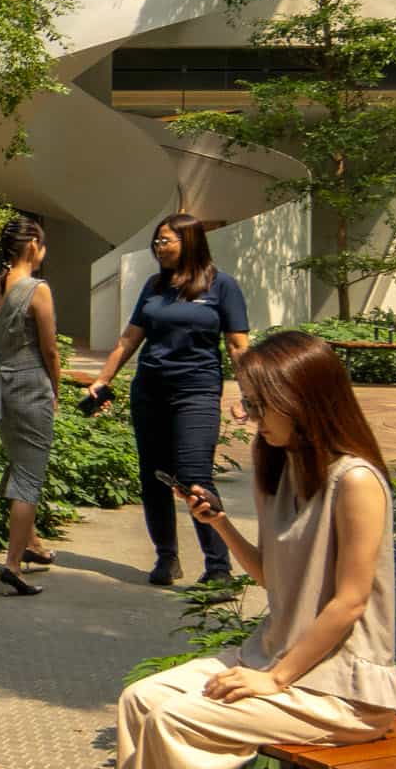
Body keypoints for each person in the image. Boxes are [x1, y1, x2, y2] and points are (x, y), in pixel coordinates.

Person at [113, 332, 396, 769]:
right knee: (139, 699)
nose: (252, 417)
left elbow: (351, 601)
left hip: (341, 690)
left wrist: (276, 678)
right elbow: (272, 575)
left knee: (173, 720)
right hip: (276, 660)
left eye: (260, 404)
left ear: (304, 399)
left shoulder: (355, 480)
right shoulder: (278, 464)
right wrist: (220, 524)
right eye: (248, 403)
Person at [73, 213, 248, 588]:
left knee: (194, 477)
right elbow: (129, 339)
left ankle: (218, 568)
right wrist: (102, 381)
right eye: (156, 242)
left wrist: (251, 394)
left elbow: (238, 346)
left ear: (190, 242)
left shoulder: (222, 286)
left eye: (166, 241)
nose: (159, 247)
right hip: (149, 391)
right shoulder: (154, 286)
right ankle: (166, 558)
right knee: (154, 477)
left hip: (197, 392)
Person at [0, 215, 70, 595]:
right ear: (33, 246)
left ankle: (31, 546)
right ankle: (13, 565)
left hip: (0, 386)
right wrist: (58, 388)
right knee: (30, 477)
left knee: (19, 464)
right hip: (30, 384)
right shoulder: (37, 289)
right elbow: (49, 348)